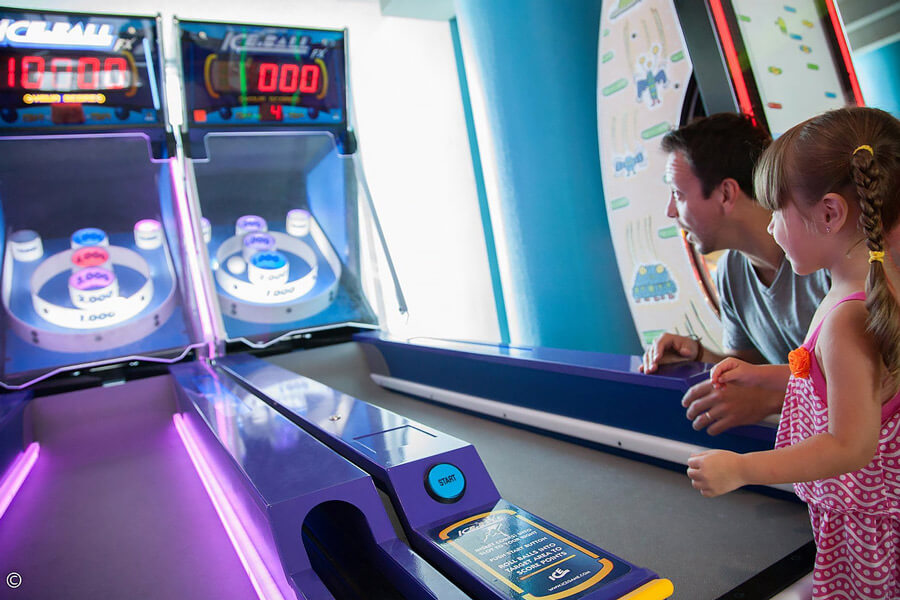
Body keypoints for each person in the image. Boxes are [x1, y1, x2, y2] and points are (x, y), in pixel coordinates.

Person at [687, 107, 900, 599]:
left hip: (867, 528)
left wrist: (741, 469)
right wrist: (765, 376)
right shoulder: (860, 288)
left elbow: (850, 445)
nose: (774, 230)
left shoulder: (849, 317)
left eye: (778, 213)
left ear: (829, 213)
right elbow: (843, 384)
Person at [641, 113, 830, 434]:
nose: (670, 211)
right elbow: (754, 368)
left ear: (726, 194)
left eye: (679, 194)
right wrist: (698, 354)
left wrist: (772, 399)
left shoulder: (831, 254)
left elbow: (875, 370)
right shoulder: (731, 270)